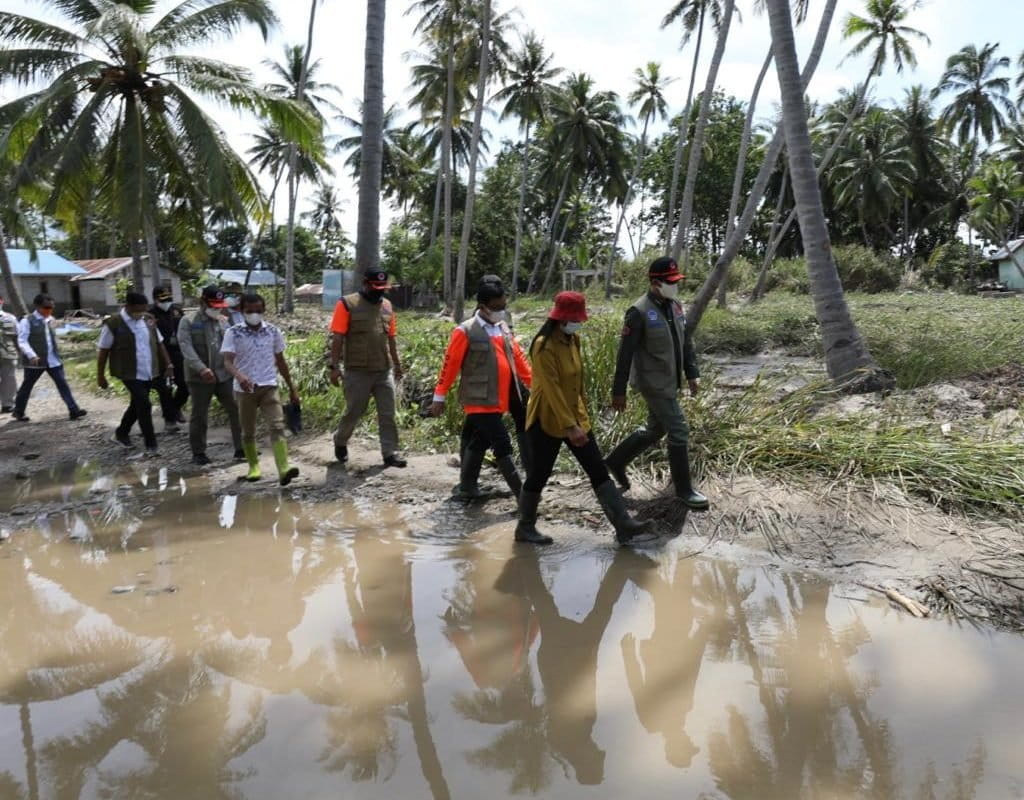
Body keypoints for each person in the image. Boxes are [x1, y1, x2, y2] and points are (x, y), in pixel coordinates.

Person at [515, 292, 654, 546]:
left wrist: (581, 419)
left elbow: (577, 384)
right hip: (547, 420)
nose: (578, 323)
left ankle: (623, 526)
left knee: (597, 469)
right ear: (561, 318)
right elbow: (551, 390)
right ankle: (525, 527)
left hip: (576, 418)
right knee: (539, 474)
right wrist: (570, 426)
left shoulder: (573, 340)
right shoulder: (543, 345)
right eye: (574, 319)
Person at [605, 256, 709, 510]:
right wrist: (619, 391)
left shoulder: (675, 306)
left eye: (676, 281)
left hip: (670, 380)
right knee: (678, 429)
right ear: (654, 283)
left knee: (656, 429)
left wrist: (692, 373)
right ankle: (683, 490)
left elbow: (685, 343)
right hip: (652, 383)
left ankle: (616, 461)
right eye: (669, 282)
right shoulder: (638, 312)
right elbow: (625, 354)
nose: (674, 286)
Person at [430, 276, 531, 501]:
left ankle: (467, 486)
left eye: (503, 306)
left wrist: (534, 384)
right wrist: (439, 396)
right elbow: (450, 365)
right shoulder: (464, 331)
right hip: (478, 399)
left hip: (499, 398)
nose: (501, 311)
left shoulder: (503, 328)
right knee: (502, 442)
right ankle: (523, 497)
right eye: (496, 308)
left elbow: (518, 359)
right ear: (483, 306)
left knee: (480, 439)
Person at [328, 268, 407, 468]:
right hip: (357, 371)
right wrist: (334, 367)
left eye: (383, 287)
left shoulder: (387, 306)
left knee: (387, 413)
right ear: (365, 284)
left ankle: (390, 453)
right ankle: (340, 440)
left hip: (383, 370)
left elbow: (391, 339)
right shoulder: (347, 304)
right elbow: (337, 337)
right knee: (355, 411)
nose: (379, 291)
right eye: (375, 287)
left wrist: (397, 365)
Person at [221, 293, 300, 485]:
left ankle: (283, 468)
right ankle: (253, 466)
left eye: (258, 311)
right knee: (248, 430)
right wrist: (240, 376)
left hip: (268, 385)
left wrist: (291, 388)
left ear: (263, 311)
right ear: (241, 311)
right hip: (244, 389)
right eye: (250, 311)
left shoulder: (273, 331)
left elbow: (280, 361)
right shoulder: (233, 332)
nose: (254, 314)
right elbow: (228, 362)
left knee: (277, 425)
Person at [97, 291, 174, 454]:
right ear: (128, 307)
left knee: (137, 403)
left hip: (149, 370)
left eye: (144, 309)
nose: (141, 313)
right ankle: (151, 445)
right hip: (128, 372)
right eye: (138, 310)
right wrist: (100, 375)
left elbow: (159, 344)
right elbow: (103, 350)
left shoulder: (148, 321)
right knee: (145, 404)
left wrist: (168, 364)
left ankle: (122, 433)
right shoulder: (114, 323)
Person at [178, 285, 244, 465]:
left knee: (236, 409)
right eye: (213, 304)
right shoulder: (188, 321)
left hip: (223, 375)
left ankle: (241, 448)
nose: (217, 308)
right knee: (199, 414)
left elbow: (232, 346)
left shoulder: (223, 321)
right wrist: (201, 368)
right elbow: (186, 347)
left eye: (219, 305)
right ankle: (198, 452)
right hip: (199, 377)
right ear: (202, 301)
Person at [12, 294, 87, 423]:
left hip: (53, 360)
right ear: (37, 307)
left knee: (62, 384)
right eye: (46, 308)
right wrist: (32, 355)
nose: (49, 310)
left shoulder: (50, 319)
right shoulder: (27, 321)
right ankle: (18, 412)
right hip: (35, 361)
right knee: (27, 386)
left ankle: (74, 410)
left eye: (51, 308)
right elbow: (22, 340)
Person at [150, 285, 189, 431]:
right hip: (160, 355)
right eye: (163, 299)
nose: (167, 302)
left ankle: (175, 408)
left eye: (169, 299)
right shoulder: (150, 315)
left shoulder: (177, 311)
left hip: (178, 353)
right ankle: (169, 420)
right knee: (165, 389)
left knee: (185, 385)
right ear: (155, 300)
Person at [0, 294, 18, 413]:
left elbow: (17, 336)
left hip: (7, 353)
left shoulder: (10, 318)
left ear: (1, 301)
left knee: (9, 379)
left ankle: (7, 404)